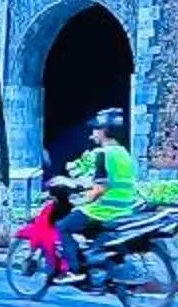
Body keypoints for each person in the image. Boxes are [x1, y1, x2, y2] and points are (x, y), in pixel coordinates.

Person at [54, 109, 138, 282]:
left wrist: (80, 201)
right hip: (126, 208)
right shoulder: (125, 153)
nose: (93, 134)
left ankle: (74, 270)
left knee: (63, 226)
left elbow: (100, 188)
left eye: (96, 129)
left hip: (104, 209)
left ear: (104, 131)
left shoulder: (103, 154)